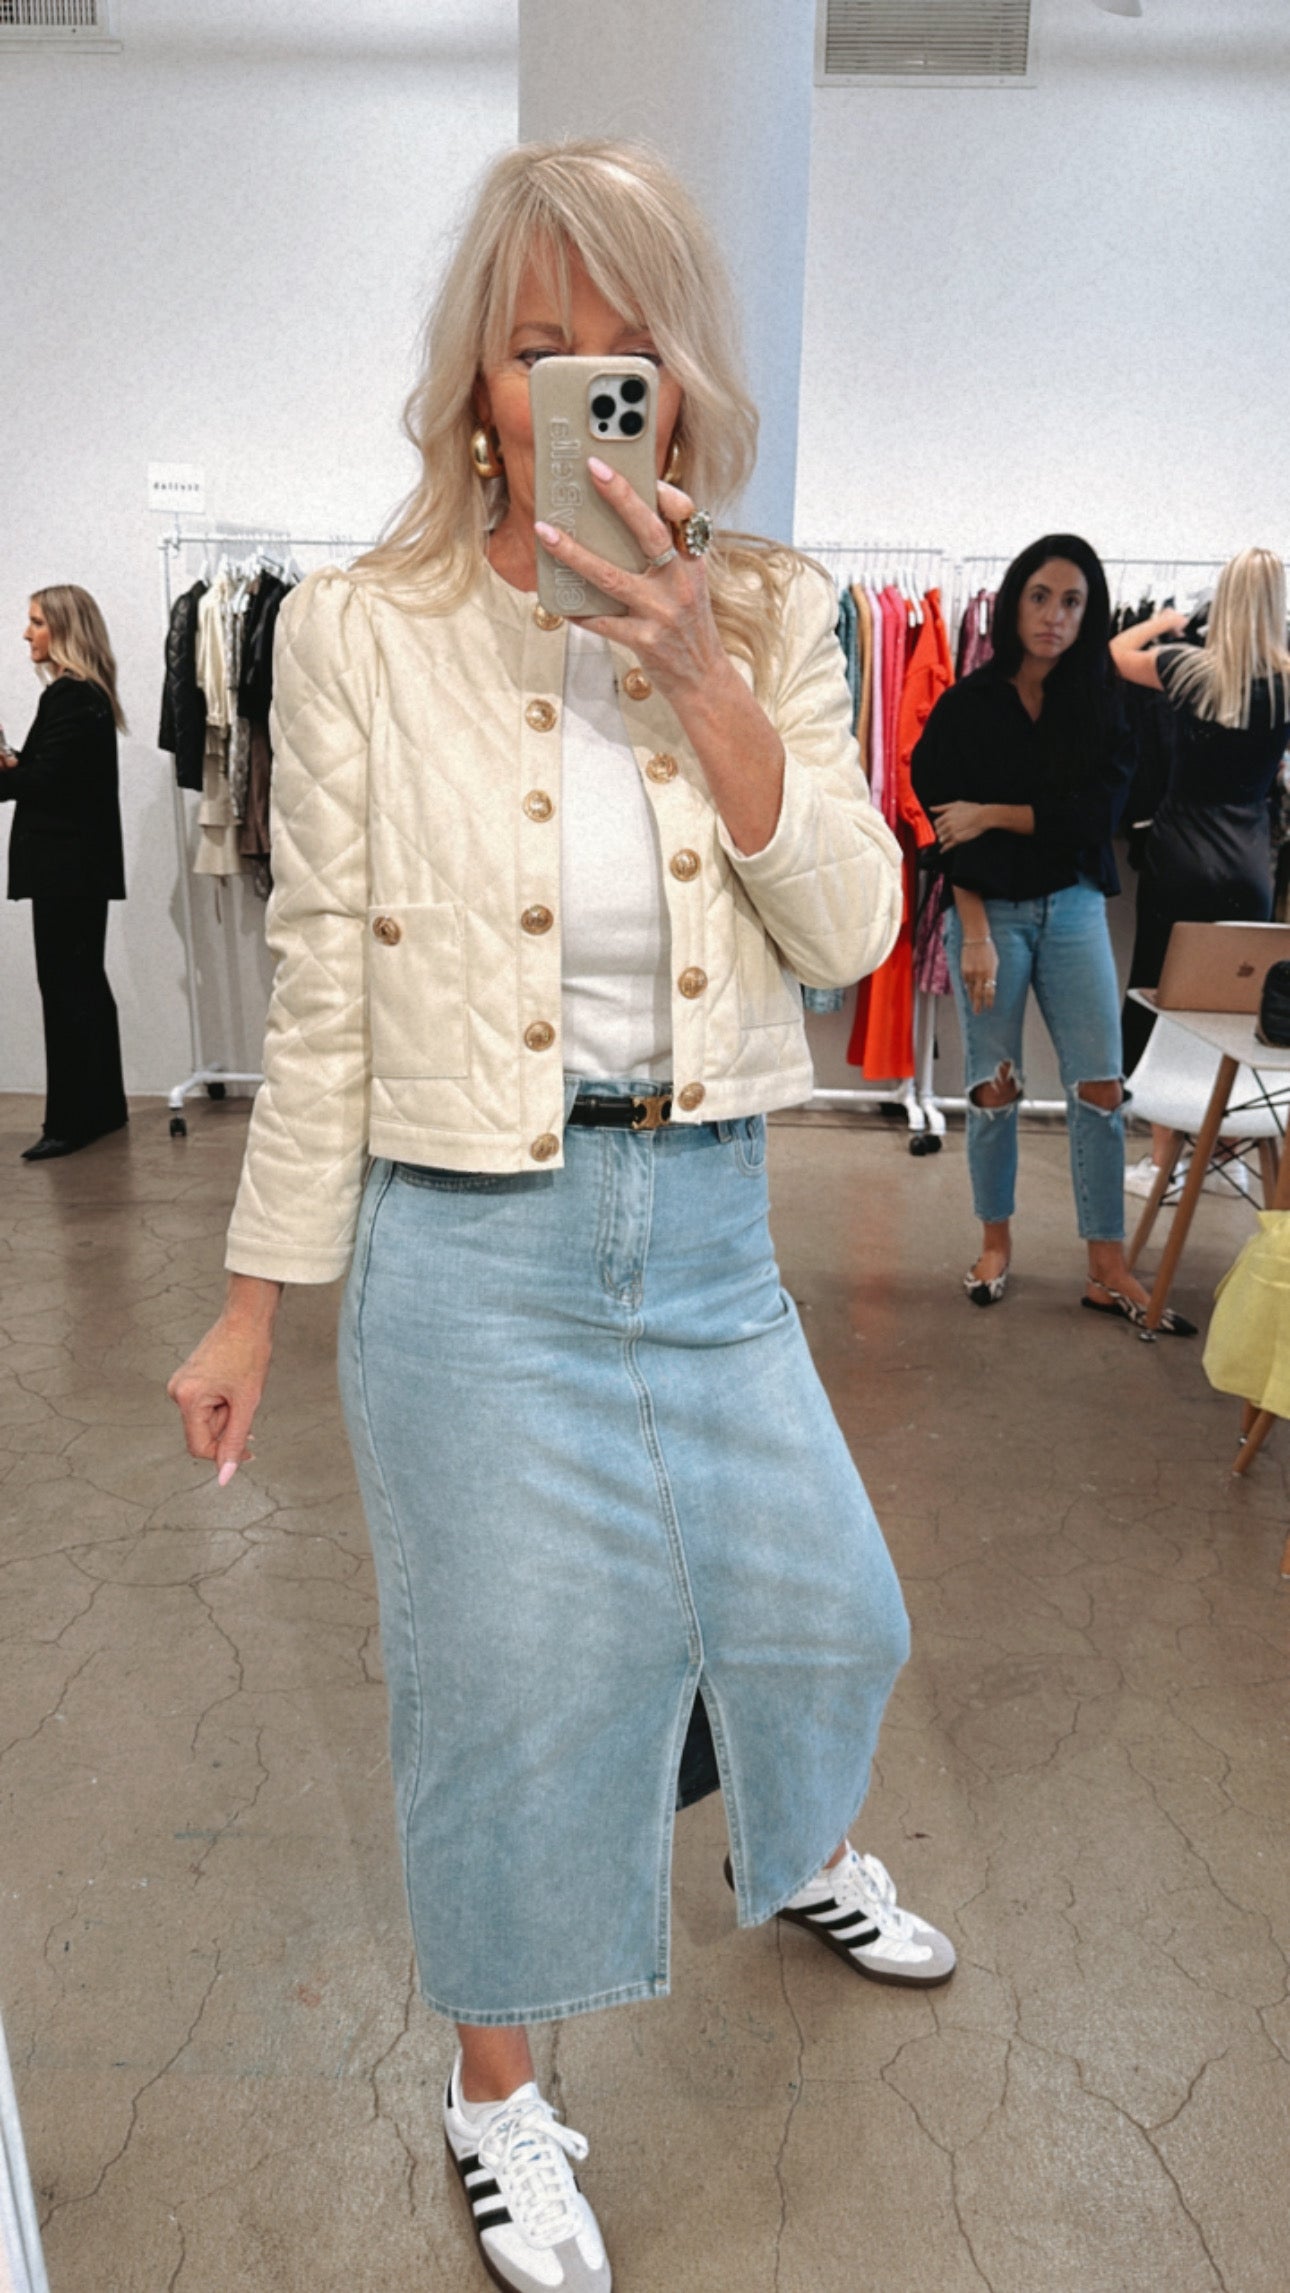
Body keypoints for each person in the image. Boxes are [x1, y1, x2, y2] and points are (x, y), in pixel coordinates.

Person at [167, 140, 956, 2293]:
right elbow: (322, 992)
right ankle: (497, 2094)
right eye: (540, 349)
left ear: (683, 382)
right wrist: (254, 1300)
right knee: (509, 1705)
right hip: (471, 1252)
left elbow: (852, 927)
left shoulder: (775, 611)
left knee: (833, 1618)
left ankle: (795, 1840)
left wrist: (701, 673)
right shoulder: (361, 630)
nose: (586, 388)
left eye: (628, 350)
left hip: (708, 1231)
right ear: (479, 384)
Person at [911, 533, 1196, 1335]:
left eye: (1072, 602)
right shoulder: (969, 704)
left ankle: (1107, 1264)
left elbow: (1092, 820)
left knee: (1100, 1086)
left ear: (1089, 612)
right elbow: (946, 826)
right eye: (1040, 596)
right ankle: (994, 1244)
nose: (1054, 616)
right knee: (992, 1087)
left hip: (1072, 908)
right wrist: (972, 929)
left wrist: (993, 814)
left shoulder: (1105, 705)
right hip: (990, 915)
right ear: (1014, 601)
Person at [1111, 548, 1290, 1190]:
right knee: (1240, 1009)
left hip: (1181, 854)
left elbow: (1115, 653)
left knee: (1165, 998)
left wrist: (1165, 621)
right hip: (1249, 861)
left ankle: (1165, 1164)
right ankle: (1229, 1154)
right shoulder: (1287, 683)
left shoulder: (1186, 669)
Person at [0, 587, 129, 1160]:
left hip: (65, 868)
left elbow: (43, 782)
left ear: (64, 629)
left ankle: (72, 1122)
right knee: (83, 985)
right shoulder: (83, 695)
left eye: (36, 623)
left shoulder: (71, 697)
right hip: (77, 867)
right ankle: (102, 1109)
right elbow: (54, 774)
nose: (27, 634)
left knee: (66, 988)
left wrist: (9, 772)